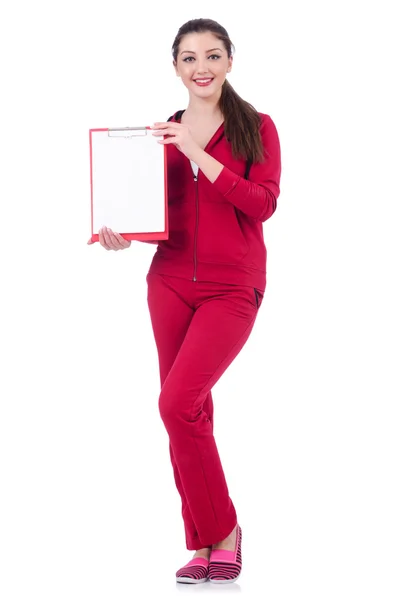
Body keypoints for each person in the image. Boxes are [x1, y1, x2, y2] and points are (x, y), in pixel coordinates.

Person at [88, 18, 281, 585]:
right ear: (175, 67)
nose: (201, 67)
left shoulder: (258, 128)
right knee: (188, 413)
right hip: (169, 281)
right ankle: (201, 544)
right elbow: (159, 212)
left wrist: (199, 152)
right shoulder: (161, 132)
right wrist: (123, 234)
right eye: (189, 58)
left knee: (176, 404)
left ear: (229, 63)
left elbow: (262, 203)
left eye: (212, 56)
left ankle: (223, 531)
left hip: (232, 286)